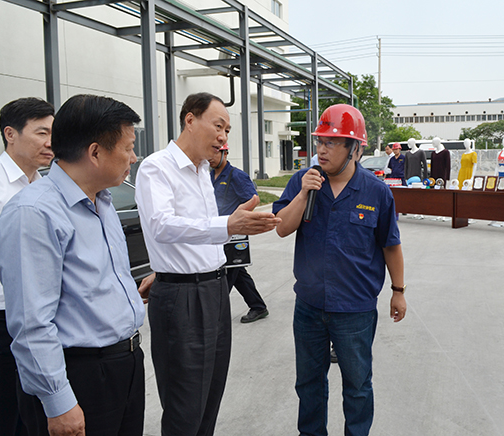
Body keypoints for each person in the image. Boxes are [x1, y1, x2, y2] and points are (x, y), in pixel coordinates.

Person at [0, 94, 147, 436]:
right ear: (95, 153)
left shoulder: (102, 202)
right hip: (79, 375)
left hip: (125, 364)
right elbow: (31, 322)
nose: (133, 158)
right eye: (128, 148)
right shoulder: (34, 213)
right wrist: (58, 400)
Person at [135, 92, 280, 436]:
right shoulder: (157, 167)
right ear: (190, 119)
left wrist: (236, 225)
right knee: (185, 405)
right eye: (218, 126)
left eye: (227, 131)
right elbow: (160, 225)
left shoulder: (203, 171)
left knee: (210, 397)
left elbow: (194, 236)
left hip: (214, 289)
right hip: (183, 299)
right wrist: (227, 225)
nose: (223, 137)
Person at [272, 104, 406, 436]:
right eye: (320, 141)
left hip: (355, 310)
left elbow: (390, 245)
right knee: (308, 384)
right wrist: (304, 193)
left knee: (358, 386)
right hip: (309, 307)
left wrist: (398, 291)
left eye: (332, 143)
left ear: (355, 149)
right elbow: (282, 227)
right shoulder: (302, 182)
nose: (321, 149)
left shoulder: (376, 192)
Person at [0, 97, 54, 436]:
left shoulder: (44, 185)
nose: (50, 142)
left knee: (30, 417)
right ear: (10, 134)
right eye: (41, 133)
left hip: (35, 319)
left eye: (53, 133)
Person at [210, 143, 269, 323]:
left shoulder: (236, 175)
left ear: (225, 153)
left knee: (226, 275)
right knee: (237, 273)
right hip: (218, 231)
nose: (210, 157)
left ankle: (214, 315)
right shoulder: (209, 176)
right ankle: (258, 306)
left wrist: (237, 219)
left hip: (234, 234)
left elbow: (253, 200)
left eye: (215, 153)